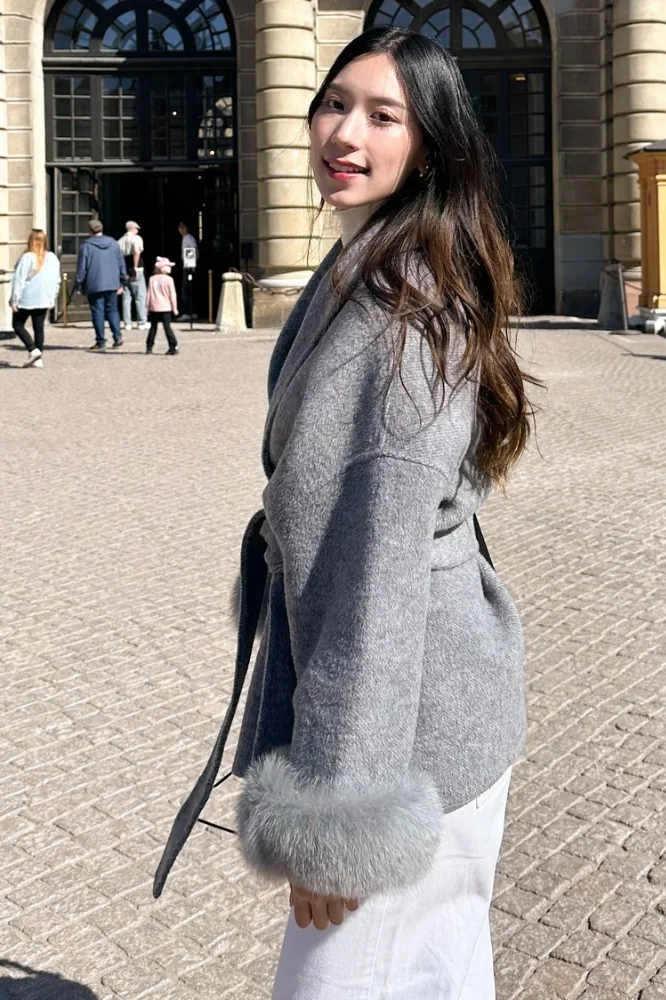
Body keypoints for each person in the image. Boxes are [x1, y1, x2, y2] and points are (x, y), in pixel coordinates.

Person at [155, 26, 537, 1000]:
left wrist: (340, 820)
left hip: (404, 750)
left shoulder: (400, 316)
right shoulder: (369, 269)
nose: (345, 132)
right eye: (334, 103)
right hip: (436, 718)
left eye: (382, 115)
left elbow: (375, 584)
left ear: (430, 147)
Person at [73, 219, 128, 353]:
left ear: (90, 231)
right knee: (112, 310)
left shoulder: (86, 246)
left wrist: (79, 285)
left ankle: (101, 341)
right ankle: (117, 336)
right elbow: (121, 263)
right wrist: (122, 280)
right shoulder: (113, 243)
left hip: (95, 283)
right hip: (112, 282)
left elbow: (82, 268)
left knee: (98, 311)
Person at [9, 229, 60, 369]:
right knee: (39, 327)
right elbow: (56, 280)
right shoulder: (52, 257)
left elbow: (19, 280)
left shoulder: (27, 257)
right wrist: (52, 297)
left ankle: (32, 349)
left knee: (17, 324)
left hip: (27, 297)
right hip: (44, 298)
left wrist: (14, 299)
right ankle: (38, 358)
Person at [118, 220, 149, 331]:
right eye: (136, 228)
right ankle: (142, 322)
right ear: (132, 229)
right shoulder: (136, 239)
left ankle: (127, 323)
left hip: (125, 269)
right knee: (140, 296)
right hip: (136, 268)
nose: (137, 231)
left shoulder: (120, 241)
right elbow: (136, 252)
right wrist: (135, 266)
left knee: (126, 298)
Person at [145, 257, 179, 355]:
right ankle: (173, 346)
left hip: (154, 307)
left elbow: (149, 294)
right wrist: (174, 308)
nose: (170, 268)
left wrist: (147, 307)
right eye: (168, 266)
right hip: (165, 307)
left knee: (153, 328)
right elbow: (172, 295)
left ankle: (149, 346)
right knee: (167, 328)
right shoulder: (169, 280)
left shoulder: (152, 279)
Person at [176, 221, 198, 320]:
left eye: (183, 227)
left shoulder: (189, 238)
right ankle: (191, 311)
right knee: (187, 290)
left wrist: (191, 264)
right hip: (187, 265)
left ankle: (188, 312)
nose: (181, 229)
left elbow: (194, 250)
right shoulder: (185, 238)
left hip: (189, 267)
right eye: (180, 227)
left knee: (186, 290)